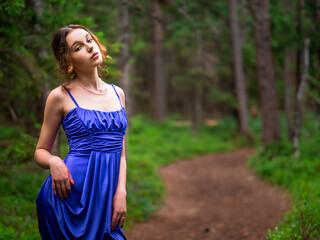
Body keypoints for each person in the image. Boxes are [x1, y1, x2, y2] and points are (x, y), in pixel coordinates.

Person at [34, 24, 128, 239]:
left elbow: (121, 153)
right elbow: (40, 151)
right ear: (68, 60)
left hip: (106, 198)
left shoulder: (118, 93)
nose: (89, 47)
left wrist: (121, 191)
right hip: (68, 200)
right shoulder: (60, 96)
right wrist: (54, 161)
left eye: (89, 40)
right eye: (77, 47)